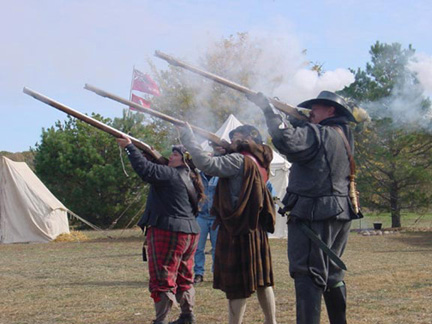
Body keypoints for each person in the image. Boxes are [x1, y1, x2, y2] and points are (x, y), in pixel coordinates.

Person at [248, 91, 362, 324]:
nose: (311, 112)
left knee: (308, 275)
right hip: (338, 210)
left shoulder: (320, 133)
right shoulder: (343, 134)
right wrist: (295, 118)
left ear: (331, 111)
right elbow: (307, 137)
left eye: (317, 108)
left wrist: (269, 111)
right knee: (331, 275)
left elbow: (286, 141)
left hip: (315, 213)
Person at [179, 124, 277, 324]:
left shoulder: (238, 160)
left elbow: (206, 164)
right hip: (255, 228)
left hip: (238, 228)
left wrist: (188, 137)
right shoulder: (260, 159)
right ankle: (271, 321)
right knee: (262, 280)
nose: (231, 142)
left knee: (236, 285)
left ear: (247, 140)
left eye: (236, 138)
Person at [117, 135, 205, 324]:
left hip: (169, 230)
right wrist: (143, 152)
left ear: (184, 160)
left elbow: (146, 171)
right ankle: (187, 316)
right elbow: (151, 167)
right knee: (184, 278)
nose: (170, 157)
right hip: (190, 232)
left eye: (175, 154)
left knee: (162, 279)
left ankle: (161, 320)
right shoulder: (191, 177)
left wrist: (130, 148)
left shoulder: (170, 174)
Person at [193, 144, 225, 284]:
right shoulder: (197, 176)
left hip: (216, 217)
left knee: (217, 248)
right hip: (201, 215)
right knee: (198, 248)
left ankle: (216, 272)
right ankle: (198, 273)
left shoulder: (220, 175)